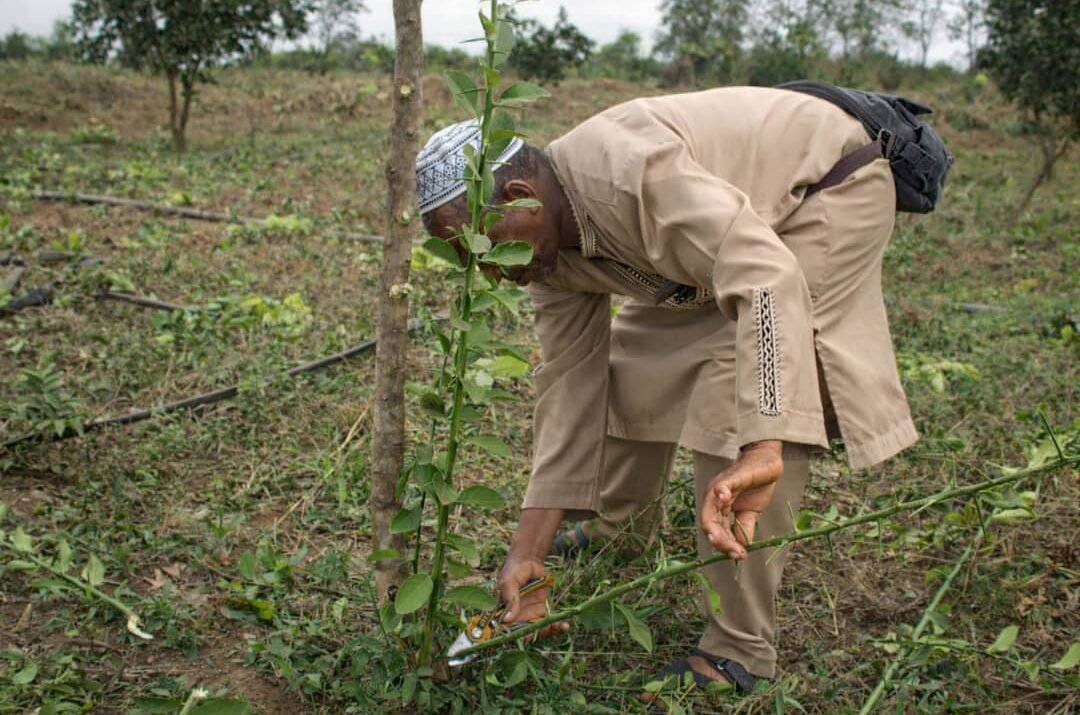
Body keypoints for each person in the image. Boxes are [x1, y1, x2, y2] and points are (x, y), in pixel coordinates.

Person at [414, 86, 918, 694]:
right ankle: (620, 530)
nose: (490, 273)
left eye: (485, 250)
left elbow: (762, 274)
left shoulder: (627, 176)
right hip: (716, 247)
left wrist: (762, 443)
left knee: (734, 405)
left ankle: (739, 649)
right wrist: (528, 554)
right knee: (629, 368)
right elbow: (572, 386)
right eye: (469, 262)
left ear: (522, 200)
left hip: (826, 188)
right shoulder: (542, 251)